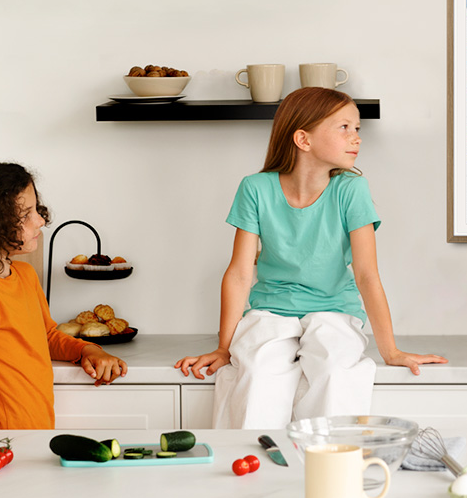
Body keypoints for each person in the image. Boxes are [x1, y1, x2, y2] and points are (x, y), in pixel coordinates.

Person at [175, 87, 447, 429]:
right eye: (344, 127)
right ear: (303, 139)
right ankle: (254, 467)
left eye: (357, 129)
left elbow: (366, 275)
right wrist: (224, 347)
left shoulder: (351, 190)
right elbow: (240, 273)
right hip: (271, 309)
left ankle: (328, 466)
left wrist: (390, 350)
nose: (356, 138)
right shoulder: (255, 188)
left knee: (334, 370)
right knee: (256, 372)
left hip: (334, 310)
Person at [0, 159, 128, 429]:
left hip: (36, 430)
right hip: (1, 441)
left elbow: (46, 336)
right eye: (26, 213)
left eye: (37, 209)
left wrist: (87, 349)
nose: (41, 220)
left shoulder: (25, 275)